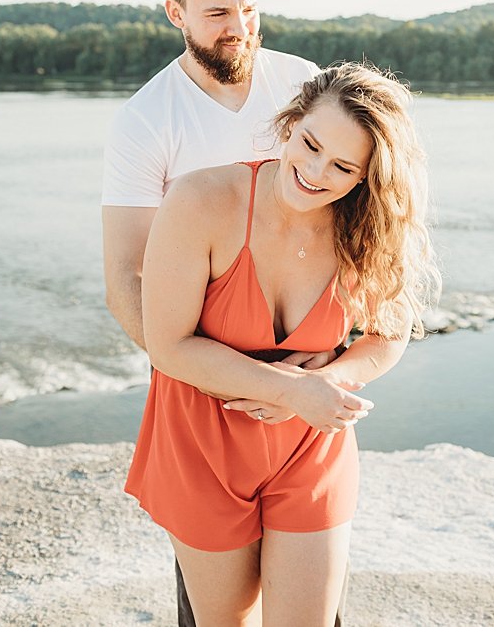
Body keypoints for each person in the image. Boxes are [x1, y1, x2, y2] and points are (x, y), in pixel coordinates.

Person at [125, 62, 440, 626]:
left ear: (368, 178)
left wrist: (328, 382)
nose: (316, 172)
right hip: (202, 444)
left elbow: (387, 335)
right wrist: (289, 390)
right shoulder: (200, 201)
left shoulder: (366, 226)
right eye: (310, 144)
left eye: (343, 166)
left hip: (310, 444)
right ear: (291, 123)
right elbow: (167, 345)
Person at [102, 0, 334, 624]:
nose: (240, 28)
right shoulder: (146, 120)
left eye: (249, 9)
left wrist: (329, 362)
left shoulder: (305, 86)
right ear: (175, 14)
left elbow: (352, 224)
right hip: (203, 379)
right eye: (217, 15)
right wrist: (211, 380)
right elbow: (126, 274)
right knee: (214, 606)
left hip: (306, 356)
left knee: (311, 595)